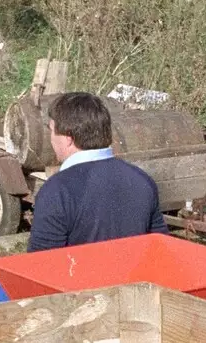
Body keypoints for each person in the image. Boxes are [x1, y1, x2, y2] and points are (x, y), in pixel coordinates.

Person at [27, 92, 169, 252]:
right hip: (134, 276)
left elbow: (40, 265)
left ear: (68, 138)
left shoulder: (56, 192)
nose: (51, 138)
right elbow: (160, 249)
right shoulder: (142, 180)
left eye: (52, 130)